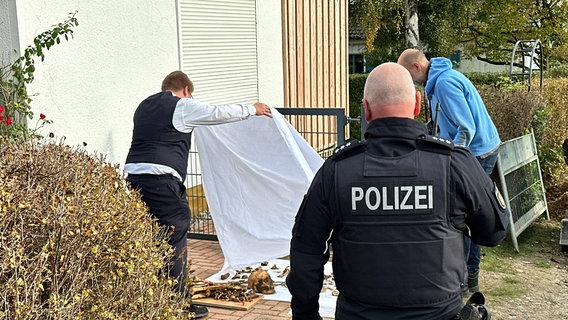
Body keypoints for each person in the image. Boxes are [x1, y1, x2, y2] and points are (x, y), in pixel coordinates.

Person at [286, 62, 509, 320]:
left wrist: (305, 314)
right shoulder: (454, 163)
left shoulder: (337, 170)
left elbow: (306, 251)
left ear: (366, 110)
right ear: (416, 104)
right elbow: (494, 231)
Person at [124, 70, 272, 318]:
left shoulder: (144, 106)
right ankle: (178, 305)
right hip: (162, 182)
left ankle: (151, 295)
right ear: (185, 91)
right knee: (174, 239)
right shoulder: (181, 106)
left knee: (152, 238)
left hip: (135, 179)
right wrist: (252, 109)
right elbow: (216, 113)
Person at [398, 48, 502, 293]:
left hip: (477, 152)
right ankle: (468, 277)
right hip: (480, 149)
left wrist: (454, 159)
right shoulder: (439, 81)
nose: (409, 82)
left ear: (416, 67)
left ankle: (463, 279)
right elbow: (446, 123)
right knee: (469, 215)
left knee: (464, 217)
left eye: (407, 75)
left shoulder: (444, 83)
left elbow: (466, 128)